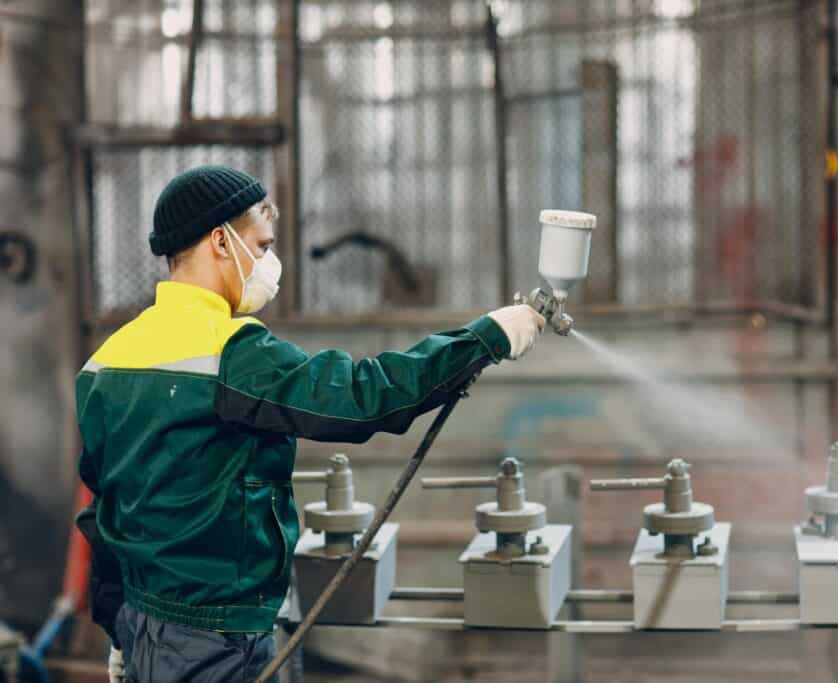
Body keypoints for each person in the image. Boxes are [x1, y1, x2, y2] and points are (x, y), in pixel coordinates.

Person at [75, 166, 545, 682]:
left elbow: (104, 514)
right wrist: (483, 339)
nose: (268, 263)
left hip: (144, 625)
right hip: (216, 642)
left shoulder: (106, 361)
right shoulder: (233, 353)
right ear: (220, 242)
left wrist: (119, 630)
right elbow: (364, 396)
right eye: (261, 244)